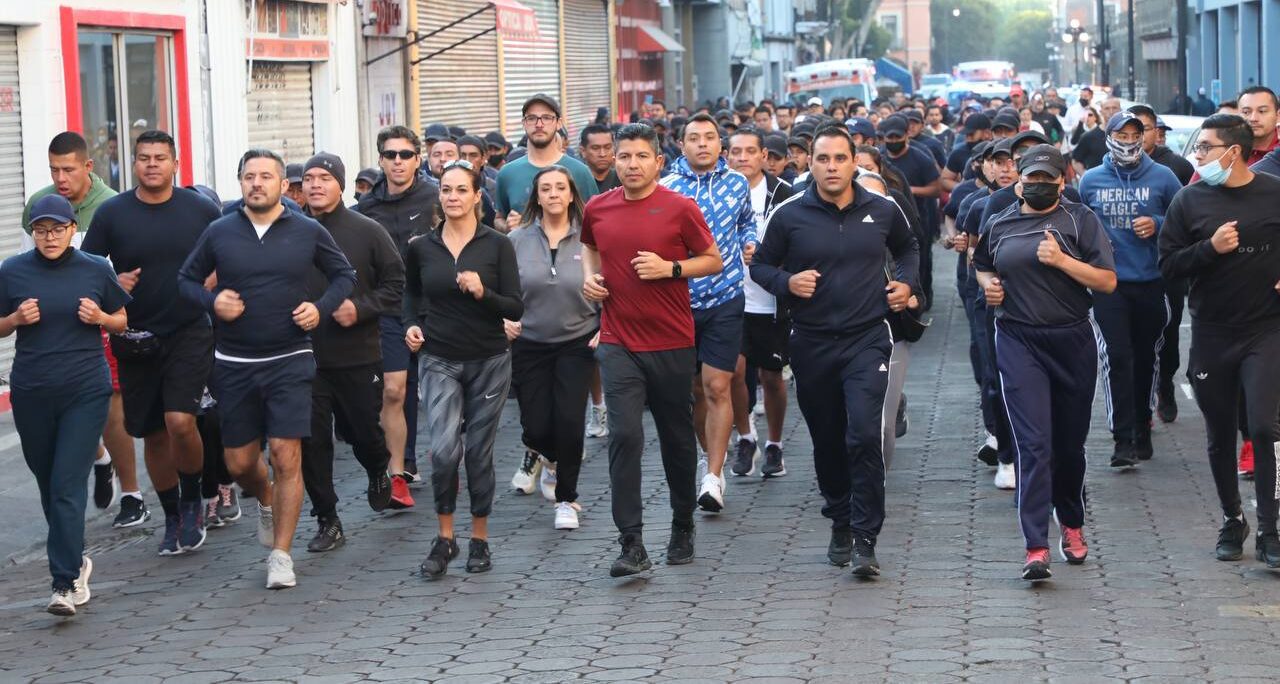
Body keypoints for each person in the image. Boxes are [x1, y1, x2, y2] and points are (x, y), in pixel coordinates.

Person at [178, 148, 356, 589]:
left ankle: (281, 555)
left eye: (265, 176)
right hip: (235, 362)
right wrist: (212, 300)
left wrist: (320, 309)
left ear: (282, 184)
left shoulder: (306, 230)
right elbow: (184, 281)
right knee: (239, 463)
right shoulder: (220, 232)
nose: (257, 183)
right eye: (249, 176)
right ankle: (264, 498)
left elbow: (344, 276)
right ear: (240, 183)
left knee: (284, 453)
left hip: (290, 357)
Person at [750, 124, 919, 578]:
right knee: (827, 439)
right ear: (812, 164)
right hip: (812, 341)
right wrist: (787, 283)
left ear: (853, 163)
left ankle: (866, 538)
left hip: (868, 338)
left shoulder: (883, 208)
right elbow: (762, 265)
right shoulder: (788, 215)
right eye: (822, 159)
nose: (830, 167)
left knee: (864, 434)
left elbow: (909, 248)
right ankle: (840, 520)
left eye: (840, 159)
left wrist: (906, 284)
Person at [581, 123, 721, 577]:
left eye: (642, 156)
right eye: (624, 157)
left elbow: (713, 259)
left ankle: (682, 524)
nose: (632, 165)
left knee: (676, 439)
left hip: (672, 341)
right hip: (618, 340)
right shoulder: (598, 208)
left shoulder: (680, 208)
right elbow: (589, 247)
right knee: (624, 436)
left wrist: (671, 268)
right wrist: (590, 280)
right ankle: (632, 542)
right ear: (613, 161)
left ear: (659, 162)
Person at [973, 144, 1117, 581]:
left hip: (1071, 338)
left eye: (1046, 179)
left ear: (1062, 181)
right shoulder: (1000, 222)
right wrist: (989, 286)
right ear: (1018, 179)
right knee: (1034, 445)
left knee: (1068, 447)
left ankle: (1070, 522)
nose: (1037, 185)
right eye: (1029, 178)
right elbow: (980, 264)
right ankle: (1035, 546)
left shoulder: (1080, 219)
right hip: (1018, 339)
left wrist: (1063, 261)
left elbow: (1107, 281)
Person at [82, 129, 222, 555]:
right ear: (133, 162)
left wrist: (206, 288)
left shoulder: (200, 209)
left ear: (176, 163)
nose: (152, 164)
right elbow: (88, 270)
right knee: (153, 434)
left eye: (161, 157)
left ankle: (194, 497)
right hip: (135, 335)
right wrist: (111, 281)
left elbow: (226, 257)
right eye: (144, 157)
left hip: (188, 330)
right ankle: (172, 516)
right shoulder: (112, 214)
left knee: (181, 420)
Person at [1158, 114, 1280, 568]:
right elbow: (1167, 264)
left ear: (1233, 151)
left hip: (1266, 330)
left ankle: (1271, 527)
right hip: (1212, 332)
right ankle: (1233, 519)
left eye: (1206, 148)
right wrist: (1210, 248)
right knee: (1220, 433)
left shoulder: (1273, 192)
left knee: (1266, 427)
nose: (1199, 156)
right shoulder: (1189, 200)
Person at [4, 194, 130, 616]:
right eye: (41, 230)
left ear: (73, 230)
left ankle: (64, 582)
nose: (49, 237)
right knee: (48, 482)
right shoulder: (13, 271)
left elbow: (122, 321)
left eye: (57, 229)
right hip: (32, 390)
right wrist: (15, 320)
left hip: (84, 390)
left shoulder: (94, 268)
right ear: (32, 233)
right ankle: (75, 557)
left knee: (64, 485)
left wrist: (100, 318)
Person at [404, 160, 523, 579]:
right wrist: (412, 326)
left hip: (489, 359)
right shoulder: (422, 247)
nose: (452, 197)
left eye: (460, 190)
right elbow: (411, 296)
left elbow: (514, 306)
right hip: (439, 358)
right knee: (443, 451)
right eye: (446, 190)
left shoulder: (497, 245)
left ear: (477, 196)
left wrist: (482, 292)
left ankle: (480, 538)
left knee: (476, 453)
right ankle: (445, 536)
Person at [19, 132, 142, 527]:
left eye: (68, 169)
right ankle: (99, 459)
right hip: (52, 327)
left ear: (88, 167)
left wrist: (115, 289)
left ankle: (132, 494)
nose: (60, 177)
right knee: (65, 416)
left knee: (111, 409)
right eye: (53, 169)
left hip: (99, 318)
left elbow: (129, 265)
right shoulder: (38, 205)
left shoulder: (112, 206)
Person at [297, 153, 402, 552]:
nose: (316, 185)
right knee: (311, 440)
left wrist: (360, 308)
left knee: (363, 433)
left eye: (325, 177)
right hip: (304, 356)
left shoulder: (367, 230)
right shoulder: (288, 230)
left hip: (357, 353)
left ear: (340, 185)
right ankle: (328, 518)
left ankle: (378, 466)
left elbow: (396, 284)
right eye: (309, 178)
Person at [660, 112, 757, 513]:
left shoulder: (737, 183)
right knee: (695, 390)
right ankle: (706, 454)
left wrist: (750, 243)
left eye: (710, 137)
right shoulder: (665, 189)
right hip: (678, 300)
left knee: (719, 385)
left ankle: (714, 477)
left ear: (721, 145)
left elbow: (747, 224)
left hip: (726, 298)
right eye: (694, 138)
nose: (702, 143)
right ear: (680, 145)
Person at [1079, 112, 1182, 467]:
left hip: (1152, 282)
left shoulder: (1163, 177)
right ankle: (1122, 439)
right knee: (1117, 358)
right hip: (1108, 286)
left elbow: (1186, 220)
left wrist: (1157, 223)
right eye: (1120, 135)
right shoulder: (1091, 180)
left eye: (1134, 134)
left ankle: (1142, 424)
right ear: (1108, 137)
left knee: (1146, 358)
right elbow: (1076, 227)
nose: (1128, 141)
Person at [507, 166, 598, 529]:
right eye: (547, 188)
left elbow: (612, 284)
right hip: (529, 342)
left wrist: (606, 324)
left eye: (561, 187)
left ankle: (567, 498)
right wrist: (503, 318)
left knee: (571, 421)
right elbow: (504, 291)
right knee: (536, 425)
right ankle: (547, 457)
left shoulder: (591, 239)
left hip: (578, 340)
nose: (554, 194)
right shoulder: (515, 239)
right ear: (537, 196)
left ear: (573, 194)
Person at [355, 125, 441, 507]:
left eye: (405, 155)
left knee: (443, 394)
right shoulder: (365, 208)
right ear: (380, 160)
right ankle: (397, 475)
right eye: (390, 155)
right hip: (389, 310)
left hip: (437, 308)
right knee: (393, 389)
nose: (398, 162)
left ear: (418, 160)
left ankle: (447, 461)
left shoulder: (437, 197)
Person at [725, 128, 793, 479]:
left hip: (769, 300)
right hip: (730, 296)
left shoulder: (783, 194)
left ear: (763, 156)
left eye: (750, 151)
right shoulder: (718, 190)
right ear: (727, 155)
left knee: (771, 377)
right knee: (734, 371)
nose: (742, 158)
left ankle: (775, 445)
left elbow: (798, 241)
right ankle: (746, 436)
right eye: (735, 151)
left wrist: (769, 258)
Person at [494, 94, 599, 230]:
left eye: (546, 118)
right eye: (532, 118)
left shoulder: (580, 172)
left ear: (559, 123)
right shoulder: (507, 173)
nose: (539, 124)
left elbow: (596, 220)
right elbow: (498, 219)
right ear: (524, 123)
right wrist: (506, 226)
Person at [579, 124, 621, 192]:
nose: (602, 154)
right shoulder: (576, 181)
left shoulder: (624, 179)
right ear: (583, 151)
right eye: (595, 148)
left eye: (607, 147)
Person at [1070, 107, 1107, 172]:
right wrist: (1080, 124)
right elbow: (1073, 142)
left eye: (1090, 115)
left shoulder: (1101, 129)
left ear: (1095, 117)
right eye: (1085, 115)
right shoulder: (1080, 128)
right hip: (1084, 165)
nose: (1087, 117)